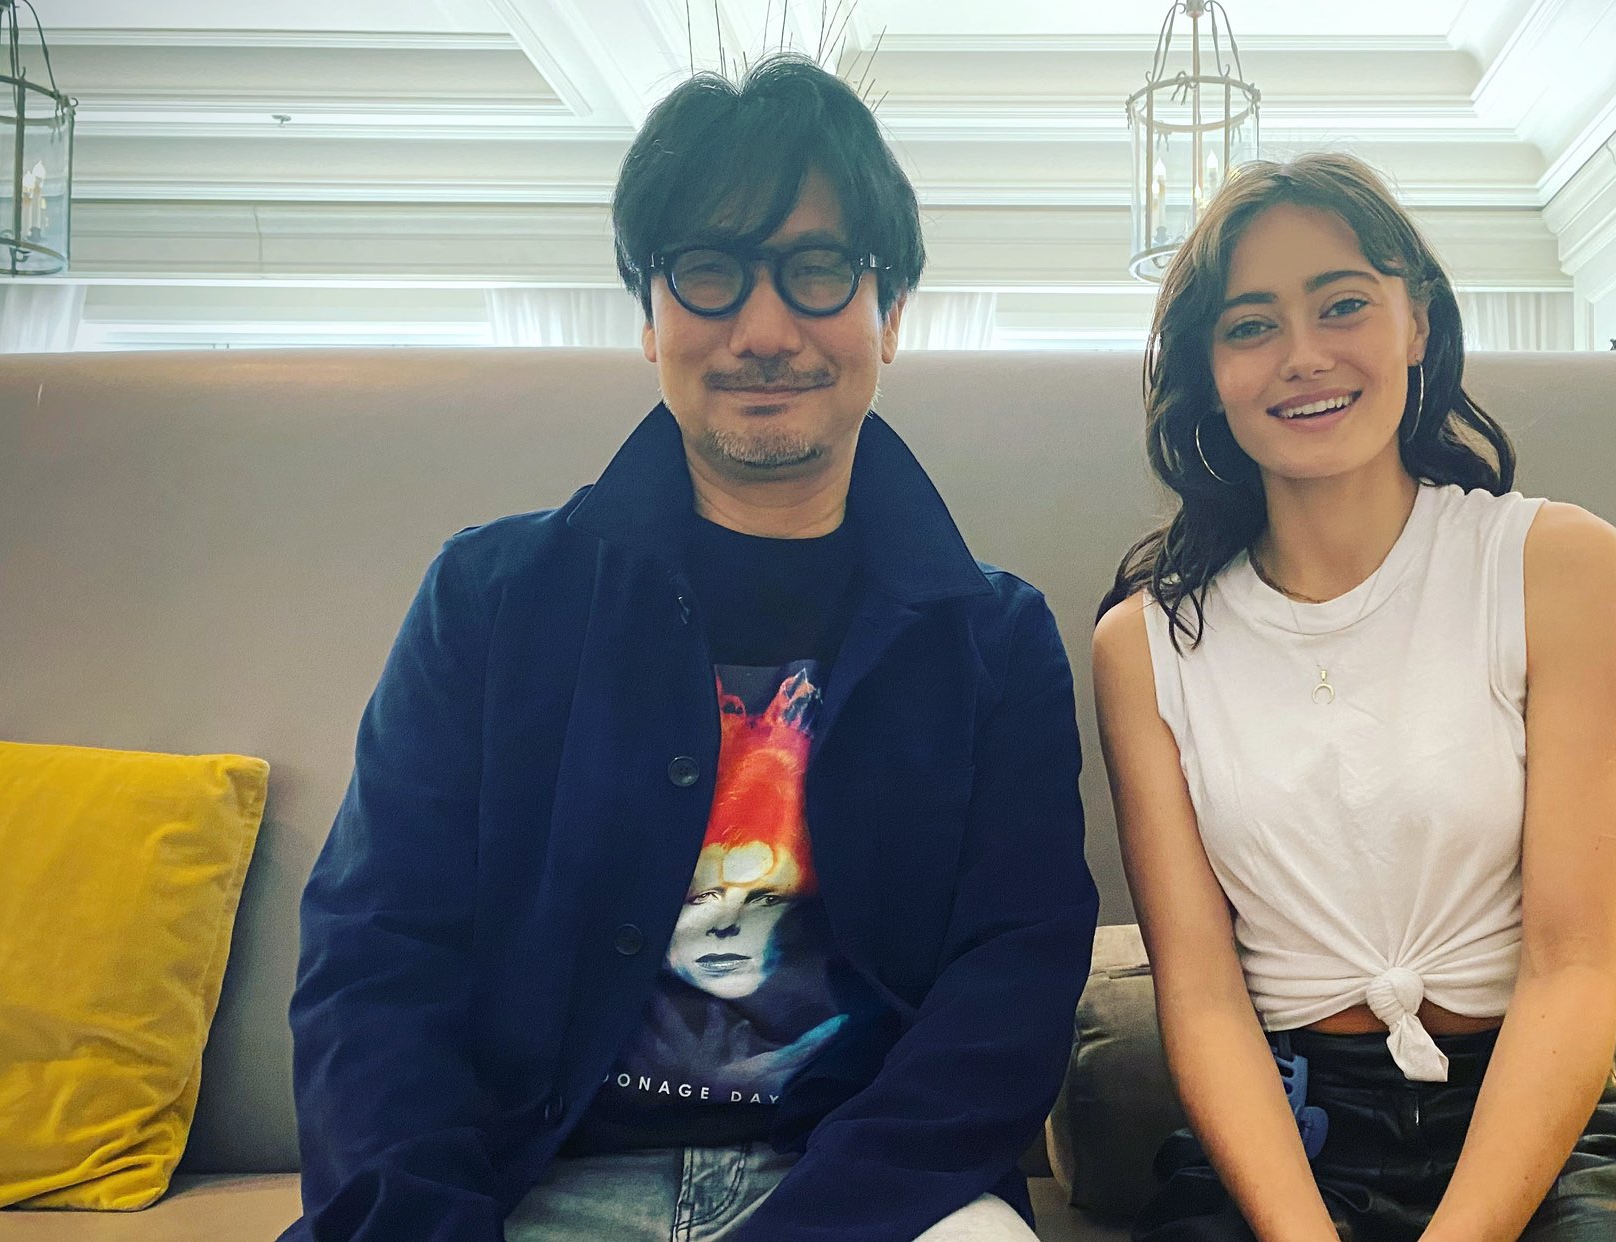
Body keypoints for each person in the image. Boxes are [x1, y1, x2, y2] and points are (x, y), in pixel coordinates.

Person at [286, 54, 1096, 1242]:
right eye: (709, 272)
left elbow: (1008, 994)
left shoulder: (994, 642)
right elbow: (376, 960)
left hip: (867, 1196)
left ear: (890, 314)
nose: (763, 330)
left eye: (818, 269)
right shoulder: (489, 601)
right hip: (529, 1182)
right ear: (649, 315)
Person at [1091, 152, 1616, 1242]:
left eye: (1341, 305)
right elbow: (1200, 998)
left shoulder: (1558, 566)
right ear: (1209, 368)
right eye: (1250, 326)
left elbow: (1571, 965)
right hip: (1290, 1139)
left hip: (1539, 1125)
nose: (1302, 355)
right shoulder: (1144, 647)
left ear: (1416, 322)